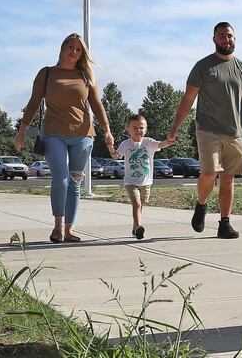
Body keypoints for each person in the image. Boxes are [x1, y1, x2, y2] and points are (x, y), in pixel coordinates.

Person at [15, 33, 113, 243]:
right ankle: (57, 225)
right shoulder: (47, 73)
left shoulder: (87, 75)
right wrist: (23, 129)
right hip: (53, 135)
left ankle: (69, 230)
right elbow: (33, 102)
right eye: (71, 47)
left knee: (75, 184)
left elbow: (97, 104)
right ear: (62, 48)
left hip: (84, 137)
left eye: (78, 49)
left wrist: (106, 129)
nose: (74, 52)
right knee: (60, 180)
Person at [169, 22, 242, 239]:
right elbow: (188, 98)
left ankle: (224, 223)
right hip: (208, 129)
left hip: (235, 132)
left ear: (235, 39)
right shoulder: (203, 66)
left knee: (228, 179)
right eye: (221, 36)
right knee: (210, 172)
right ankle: (201, 204)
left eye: (229, 36)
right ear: (214, 39)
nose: (226, 39)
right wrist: (175, 126)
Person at [108, 114, 174, 239]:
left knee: (140, 206)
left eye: (141, 128)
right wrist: (110, 146)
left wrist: (169, 142)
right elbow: (117, 156)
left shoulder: (148, 142)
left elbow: (160, 144)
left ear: (145, 129)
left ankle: (135, 228)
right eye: (134, 128)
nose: (138, 130)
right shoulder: (126, 144)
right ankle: (139, 227)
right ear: (128, 130)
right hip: (131, 182)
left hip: (146, 182)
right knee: (136, 204)